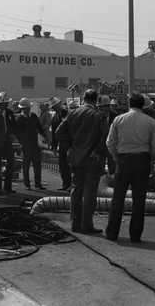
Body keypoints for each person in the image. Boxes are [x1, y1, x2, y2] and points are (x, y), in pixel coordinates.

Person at [104, 92, 155, 242]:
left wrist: (118, 157)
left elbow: (110, 143)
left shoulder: (118, 119)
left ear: (129, 104)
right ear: (143, 105)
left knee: (118, 198)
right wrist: (151, 160)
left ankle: (112, 233)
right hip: (142, 161)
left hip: (123, 161)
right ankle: (135, 235)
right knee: (139, 199)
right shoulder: (150, 122)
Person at [56, 90, 108, 234]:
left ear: (83, 99)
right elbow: (104, 136)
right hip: (92, 159)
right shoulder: (99, 116)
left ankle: (75, 223)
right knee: (90, 192)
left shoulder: (72, 113)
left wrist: (69, 147)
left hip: (76, 157)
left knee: (76, 190)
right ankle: (87, 225)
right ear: (96, 100)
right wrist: (96, 151)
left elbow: (59, 132)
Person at [16, 97, 47, 190]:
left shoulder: (33, 116)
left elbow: (39, 127)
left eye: (28, 107)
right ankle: (27, 184)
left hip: (35, 143)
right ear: (23, 109)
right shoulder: (19, 119)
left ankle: (38, 183)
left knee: (37, 164)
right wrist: (22, 143)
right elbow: (18, 133)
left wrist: (44, 136)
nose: (28, 109)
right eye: (26, 108)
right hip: (26, 144)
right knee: (26, 165)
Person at [0, 92, 18, 194]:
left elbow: (14, 125)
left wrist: (13, 134)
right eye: (5, 103)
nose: (7, 105)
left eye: (7, 103)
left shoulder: (10, 113)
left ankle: (8, 186)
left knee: (10, 164)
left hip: (7, 141)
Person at [49, 97, 71, 191]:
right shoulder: (54, 118)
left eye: (56, 106)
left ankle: (71, 184)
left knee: (70, 165)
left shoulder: (69, 114)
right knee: (62, 164)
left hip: (70, 144)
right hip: (62, 145)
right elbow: (54, 133)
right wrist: (54, 147)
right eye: (54, 107)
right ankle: (65, 183)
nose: (56, 108)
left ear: (60, 104)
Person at [97, 95, 115, 174]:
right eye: (99, 107)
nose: (100, 109)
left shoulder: (116, 117)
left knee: (113, 168)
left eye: (102, 107)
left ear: (108, 106)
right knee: (100, 168)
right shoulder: (96, 117)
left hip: (112, 145)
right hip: (100, 146)